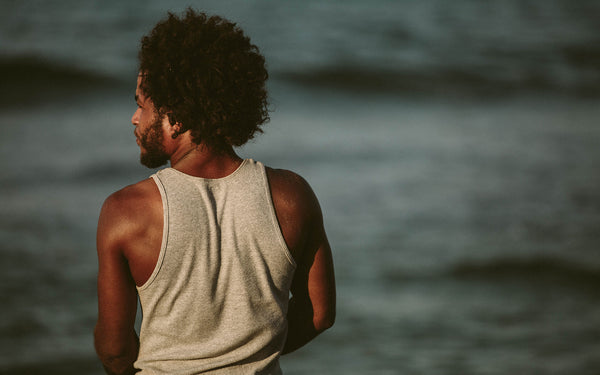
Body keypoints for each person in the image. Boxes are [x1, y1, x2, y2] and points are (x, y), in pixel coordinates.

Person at [93, 8, 336, 375]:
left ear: (176, 116)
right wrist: (244, 354)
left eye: (141, 104)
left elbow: (114, 349)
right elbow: (319, 314)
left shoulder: (125, 212)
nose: (134, 118)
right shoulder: (292, 197)